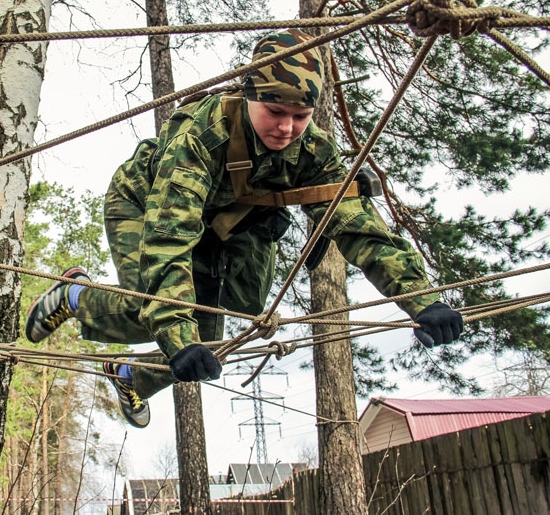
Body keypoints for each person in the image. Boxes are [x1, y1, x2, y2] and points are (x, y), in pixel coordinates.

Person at [25, 29, 463, 428]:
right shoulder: (200, 137)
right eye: (275, 111)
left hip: (232, 227)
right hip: (146, 206)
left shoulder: (313, 150)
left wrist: (421, 301)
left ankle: (129, 375)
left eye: (301, 115)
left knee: (221, 329)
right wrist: (178, 338)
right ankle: (74, 295)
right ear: (249, 93)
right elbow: (169, 238)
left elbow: (358, 226)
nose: (287, 127)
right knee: (160, 314)